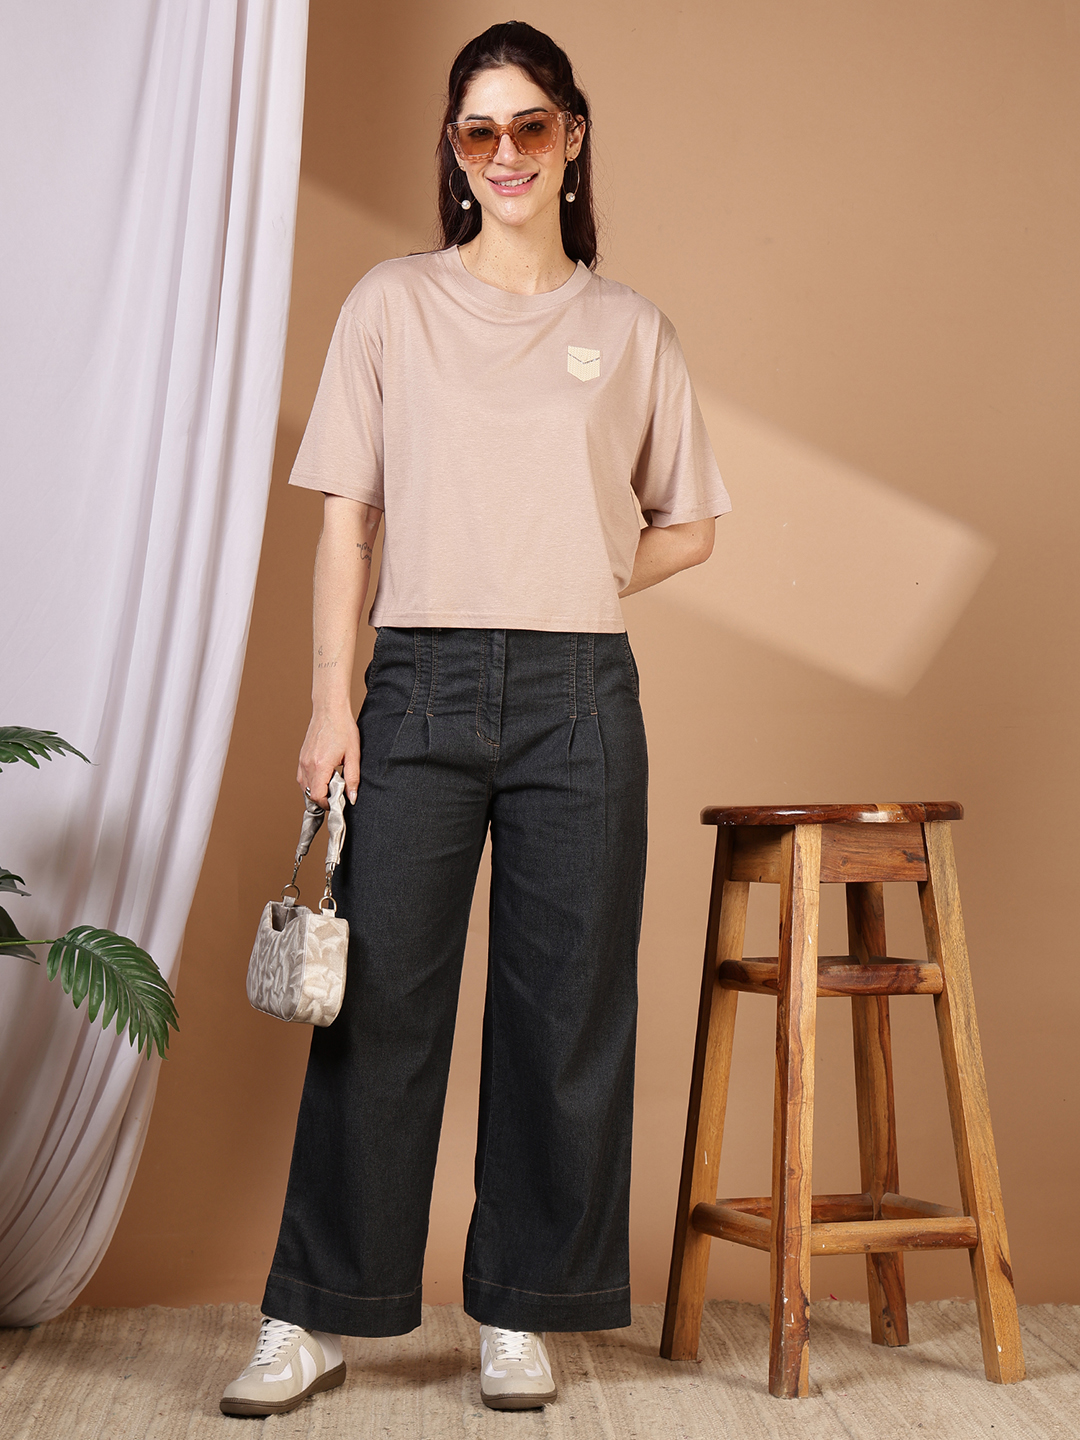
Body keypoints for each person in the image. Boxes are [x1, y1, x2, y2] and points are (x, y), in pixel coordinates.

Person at [220, 20, 730, 1418]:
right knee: (378, 1006)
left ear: (573, 138)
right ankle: (313, 1316)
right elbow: (349, 519)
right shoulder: (393, 303)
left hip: (581, 697)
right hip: (420, 686)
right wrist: (329, 704)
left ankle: (521, 1310)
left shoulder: (629, 329)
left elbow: (690, 523)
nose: (505, 154)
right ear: (455, 152)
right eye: (478, 131)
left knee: (566, 1010)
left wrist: (578, 565)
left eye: (530, 126)